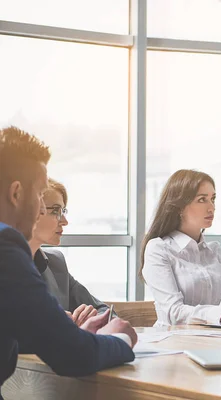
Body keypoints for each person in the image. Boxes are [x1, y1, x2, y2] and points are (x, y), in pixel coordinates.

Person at [0, 126, 137, 398]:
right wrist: (122, 338)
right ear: (16, 193)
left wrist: (68, 334)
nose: (41, 208)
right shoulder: (6, 249)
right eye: (40, 195)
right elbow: (74, 357)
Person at [140, 169, 221, 326]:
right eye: (202, 200)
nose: (211, 207)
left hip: (214, 340)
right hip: (173, 342)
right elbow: (174, 312)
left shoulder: (216, 252)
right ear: (179, 206)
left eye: (213, 199)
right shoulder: (158, 249)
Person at [29, 178, 110, 326]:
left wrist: (90, 318)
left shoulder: (56, 263)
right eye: (55, 211)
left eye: (63, 211)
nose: (65, 221)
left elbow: (104, 312)